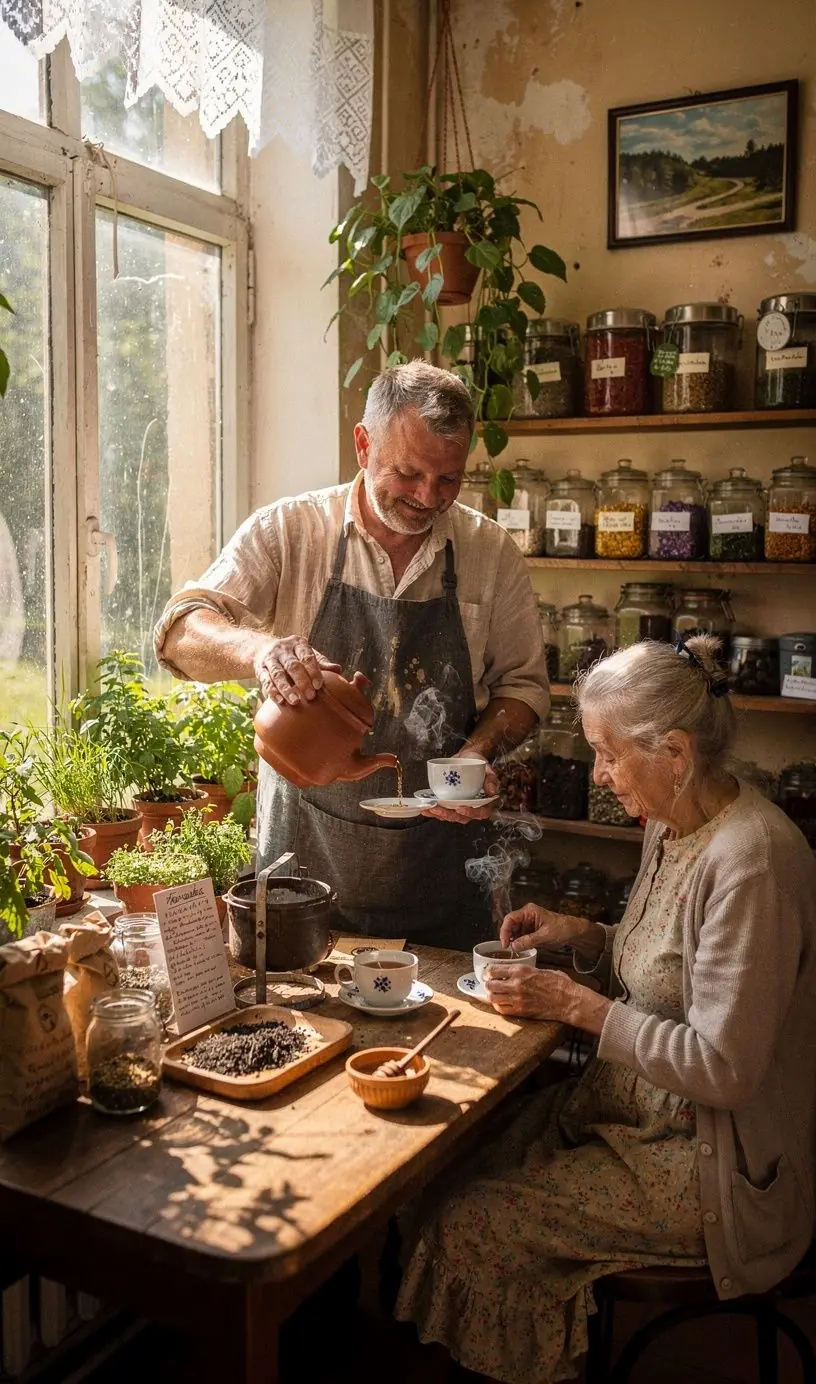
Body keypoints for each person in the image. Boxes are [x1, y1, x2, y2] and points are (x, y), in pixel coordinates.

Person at [395, 634, 816, 1384]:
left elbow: (724, 1068)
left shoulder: (752, 860)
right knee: (448, 1163)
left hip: (709, 1163)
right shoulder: (674, 820)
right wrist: (582, 933)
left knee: (474, 1224)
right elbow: (675, 961)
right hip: (631, 1115)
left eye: (610, 754)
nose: (599, 774)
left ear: (678, 753)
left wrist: (578, 1007)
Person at [155, 360, 549, 947]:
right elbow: (180, 633)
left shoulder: (488, 552)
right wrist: (261, 650)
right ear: (363, 445)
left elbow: (524, 687)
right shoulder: (292, 531)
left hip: (440, 875)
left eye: (448, 480)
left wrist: (478, 751)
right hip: (303, 860)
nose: (427, 498)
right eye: (409, 473)